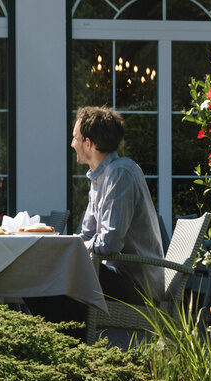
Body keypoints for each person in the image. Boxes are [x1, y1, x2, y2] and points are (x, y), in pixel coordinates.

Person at [73, 106, 163, 304]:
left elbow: (109, 243)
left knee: (59, 276)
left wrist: (78, 247)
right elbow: (86, 236)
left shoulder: (120, 173)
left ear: (88, 143)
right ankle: (68, 331)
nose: (72, 144)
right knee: (50, 273)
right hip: (114, 274)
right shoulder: (99, 178)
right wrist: (64, 247)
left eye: (75, 138)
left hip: (137, 285)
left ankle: (69, 331)